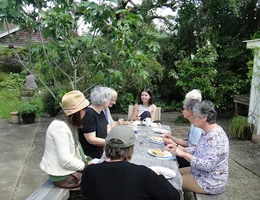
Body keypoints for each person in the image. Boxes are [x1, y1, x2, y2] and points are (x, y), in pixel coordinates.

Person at [80, 126, 180, 200]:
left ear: (106, 146)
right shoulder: (144, 173)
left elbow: (86, 192)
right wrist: (159, 175)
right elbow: (174, 196)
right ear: (131, 149)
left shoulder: (90, 171)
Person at [166, 100, 229, 194]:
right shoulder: (207, 131)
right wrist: (181, 149)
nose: (193, 118)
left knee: (169, 182)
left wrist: (183, 154)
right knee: (169, 173)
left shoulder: (216, 137)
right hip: (199, 173)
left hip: (210, 182)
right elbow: (199, 149)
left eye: (195, 116)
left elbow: (208, 166)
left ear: (204, 118)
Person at [40, 90, 90, 192]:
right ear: (76, 112)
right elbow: (65, 160)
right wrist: (86, 166)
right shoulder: (60, 127)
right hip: (63, 176)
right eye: (85, 109)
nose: (86, 112)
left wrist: (87, 160)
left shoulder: (68, 122)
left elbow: (77, 148)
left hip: (68, 171)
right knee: (98, 182)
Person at [163, 89, 203, 168]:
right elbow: (188, 143)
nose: (182, 110)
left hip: (193, 162)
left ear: (190, 110)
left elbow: (194, 151)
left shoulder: (197, 127)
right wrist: (172, 138)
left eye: (184, 108)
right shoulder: (193, 123)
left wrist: (176, 146)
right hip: (190, 155)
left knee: (167, 157)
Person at [79, 86, 111, 159]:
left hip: (102, 151)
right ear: (104, 101)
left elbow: (106, 129)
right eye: (109, 99)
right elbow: (91, 139)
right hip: (91, 156)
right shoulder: (89, 114)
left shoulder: (101, 111)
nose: (109, 102)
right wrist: (110, 143)